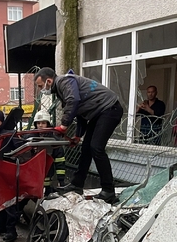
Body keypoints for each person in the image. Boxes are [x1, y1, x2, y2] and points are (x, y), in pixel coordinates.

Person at [34, 67, 122, 204]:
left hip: (109, 109)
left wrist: (63, 125)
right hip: (99, 113)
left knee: (96, 148)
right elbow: (80, 112)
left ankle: (108, 191)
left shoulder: (64, 82)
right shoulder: (61, 89)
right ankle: (77, 184)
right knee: (86, 149)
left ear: (49, 81)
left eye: (40, 86)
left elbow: (73, 101)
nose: (41, 89)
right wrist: (78, 135)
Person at [0, 109, 19, 242]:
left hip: (8, 174)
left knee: (10, 203)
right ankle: (1, 226)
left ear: (2, 121)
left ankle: (11, 231)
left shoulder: (9, 135)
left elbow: (20, 148)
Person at [32, 110, 66, 193]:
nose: (40, 125)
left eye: (43, 123)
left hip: (47, 175)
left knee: (46, 194)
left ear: (48, 124)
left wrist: (61, 181)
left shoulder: (53, 141)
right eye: (38, 123)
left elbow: (60, 161)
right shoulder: (30, 137)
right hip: (32, 175)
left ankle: (46, 193)